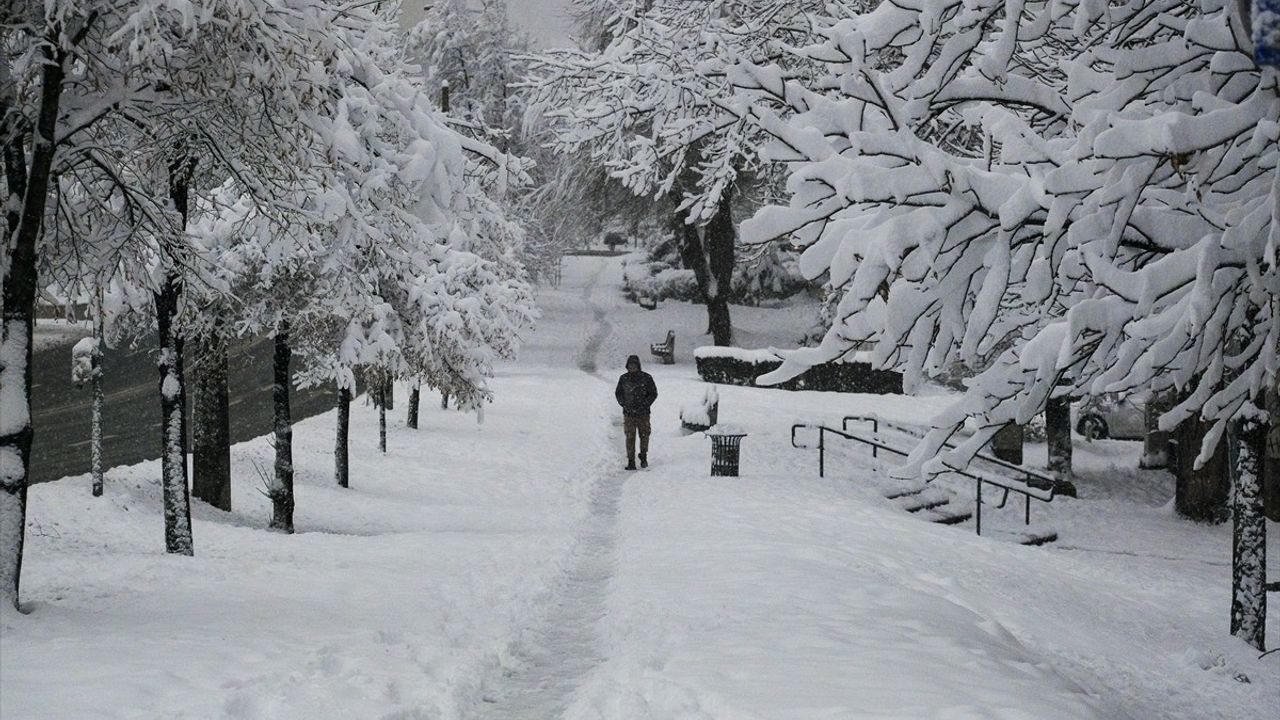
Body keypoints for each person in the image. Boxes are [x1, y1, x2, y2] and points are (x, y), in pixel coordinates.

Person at [615, 354, 658, 470]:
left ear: (638, 366)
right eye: (630, 366)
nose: (632, 368)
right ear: (627, 367)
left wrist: (645, 404)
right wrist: (623, 403)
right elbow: (618, 393)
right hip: (629, 414)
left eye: (634, 366)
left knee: (644, 436)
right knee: (630, 437)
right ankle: (631, 460)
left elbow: (653, 393)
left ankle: (643, 456)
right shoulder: (623, 379)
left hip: (643, 414)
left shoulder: (647, 378)